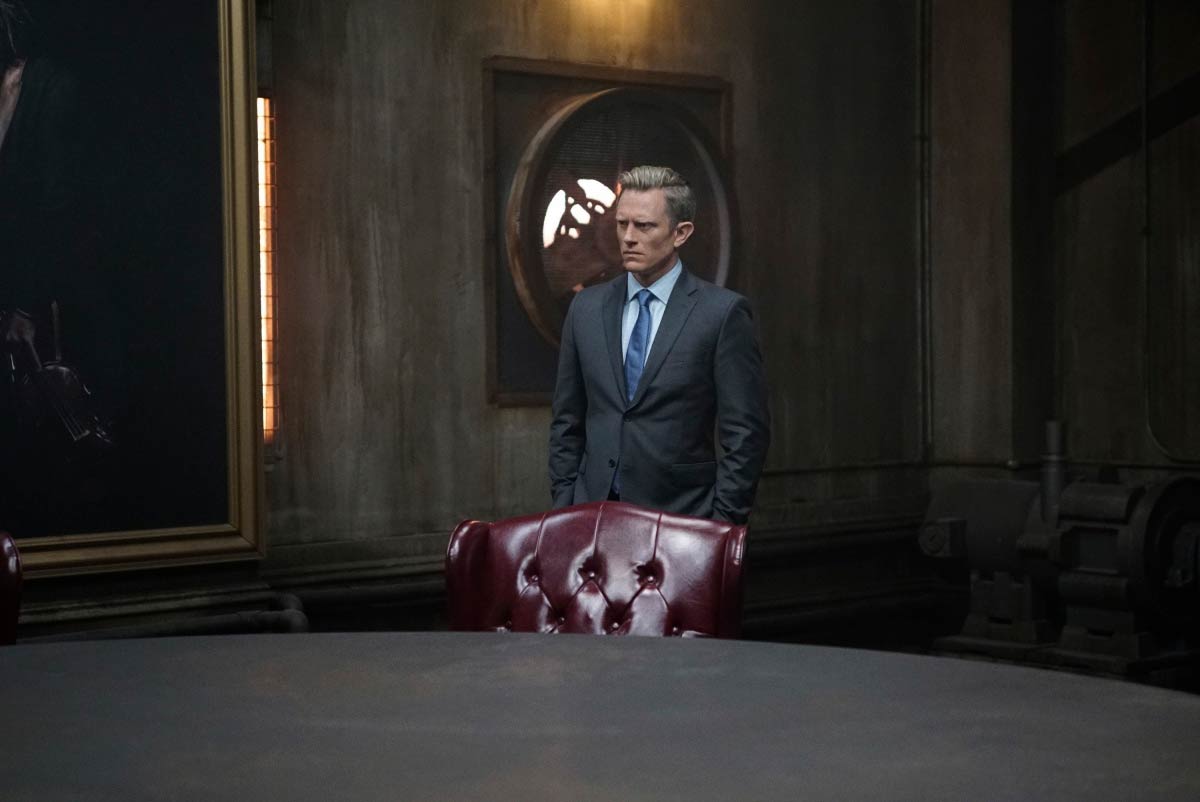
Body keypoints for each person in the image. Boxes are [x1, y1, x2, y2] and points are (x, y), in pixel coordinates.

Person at [549, 165, 769, 524]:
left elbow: (746, 434)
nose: (628, 238)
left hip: (683, 518)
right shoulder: (586, 308)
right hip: (591, 516)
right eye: (622, 224)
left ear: (680, 233)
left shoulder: (722, 314)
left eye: (644, 226)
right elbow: (566, 421)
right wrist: (566, 504)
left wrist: (720, 524)